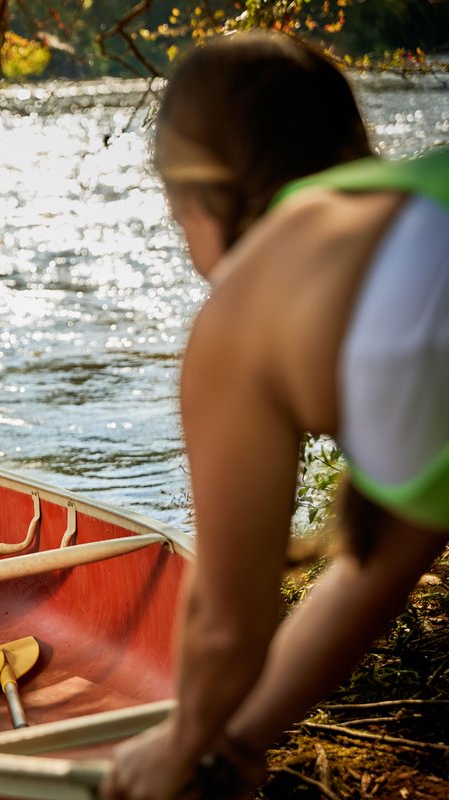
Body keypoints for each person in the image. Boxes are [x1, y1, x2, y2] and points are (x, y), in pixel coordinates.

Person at [102, 32, 449, 799]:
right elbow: (376, 567)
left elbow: (231, 618)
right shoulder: (411, 212)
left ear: (192, 193)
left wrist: (179, 747)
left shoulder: (248, 307)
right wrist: (234, 740)